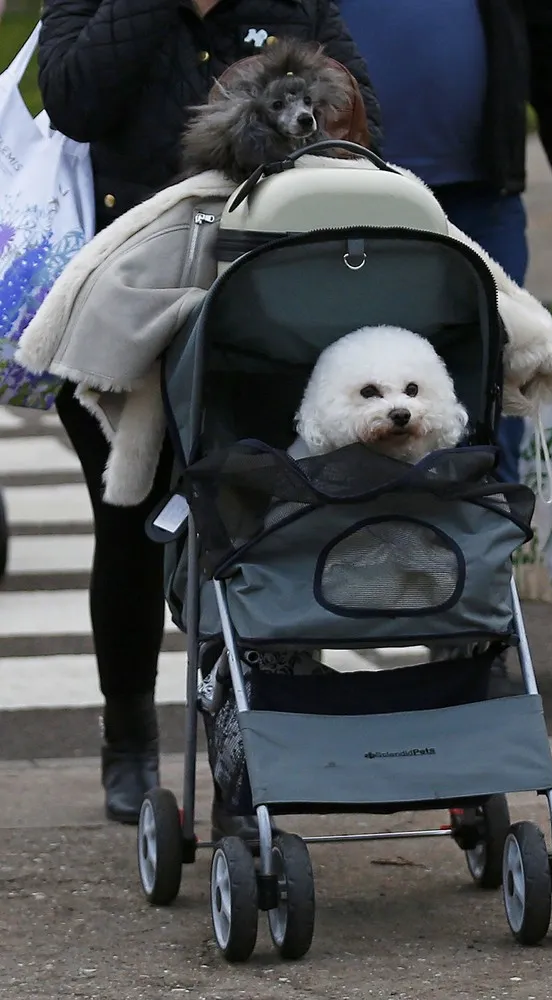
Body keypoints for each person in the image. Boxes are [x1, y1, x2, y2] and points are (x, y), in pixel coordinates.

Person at [36, 0, 381, 825]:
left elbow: (361, 117)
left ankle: (252, 734)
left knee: (260, 520)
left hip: (267, 294)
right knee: (126, 526)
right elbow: (76, 101)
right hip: (128, 293)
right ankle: (127, 736)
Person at [337, 0, 552, 484]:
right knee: (354, 388)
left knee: (500, 384)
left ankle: (492, 540)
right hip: (344, 196)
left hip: (478, 200)